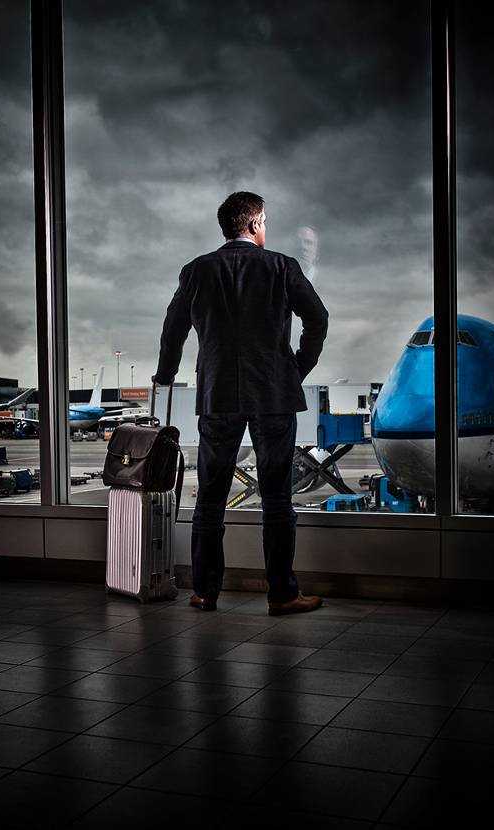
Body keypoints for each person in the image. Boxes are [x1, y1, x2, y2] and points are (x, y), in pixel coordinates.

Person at [153, 191, 329, 615]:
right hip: (273, 393)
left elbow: (173, 332)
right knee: (277, 500)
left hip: (217, 395)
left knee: (210, 499)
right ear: (254, 224)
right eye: (264, 221)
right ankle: (283, 595)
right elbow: (318, 319)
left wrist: (165, 376)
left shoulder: (196, 271)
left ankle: (205, 592)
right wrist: (296, 368)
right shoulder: (281, 266)